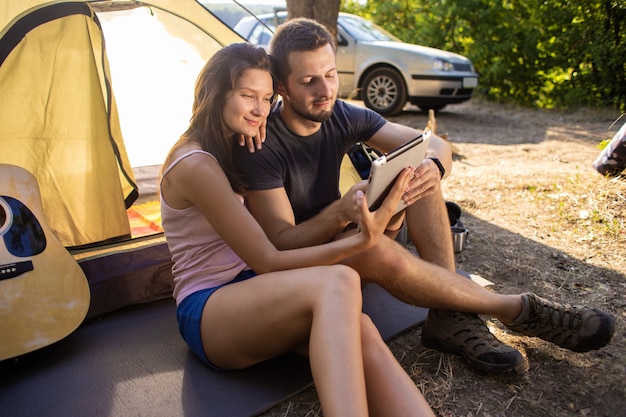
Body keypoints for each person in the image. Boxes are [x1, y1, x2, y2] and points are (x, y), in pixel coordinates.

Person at [232, 18, 616, 373]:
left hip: (351, 239)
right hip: (305, 271)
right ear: (280, 87)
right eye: (309, 81)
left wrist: (434, 166)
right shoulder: (260, 143)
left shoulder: (341, 114)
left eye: (331, 74)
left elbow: (431, 144)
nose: (325, 90)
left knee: (418, 171)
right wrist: (340, 213)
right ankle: (517, 308)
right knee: (370, 247)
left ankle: (448, 317)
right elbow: (280, 246)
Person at [159, 42, 436, 417]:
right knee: (338, 282)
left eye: (266, 98)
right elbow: (271, 259)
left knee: (361, 327)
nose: (260, 110)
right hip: (209, 308)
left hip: (254, 291)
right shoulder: (196, 165)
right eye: (247, 96)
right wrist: (362, 239)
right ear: (214, 95)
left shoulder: (234, 141)